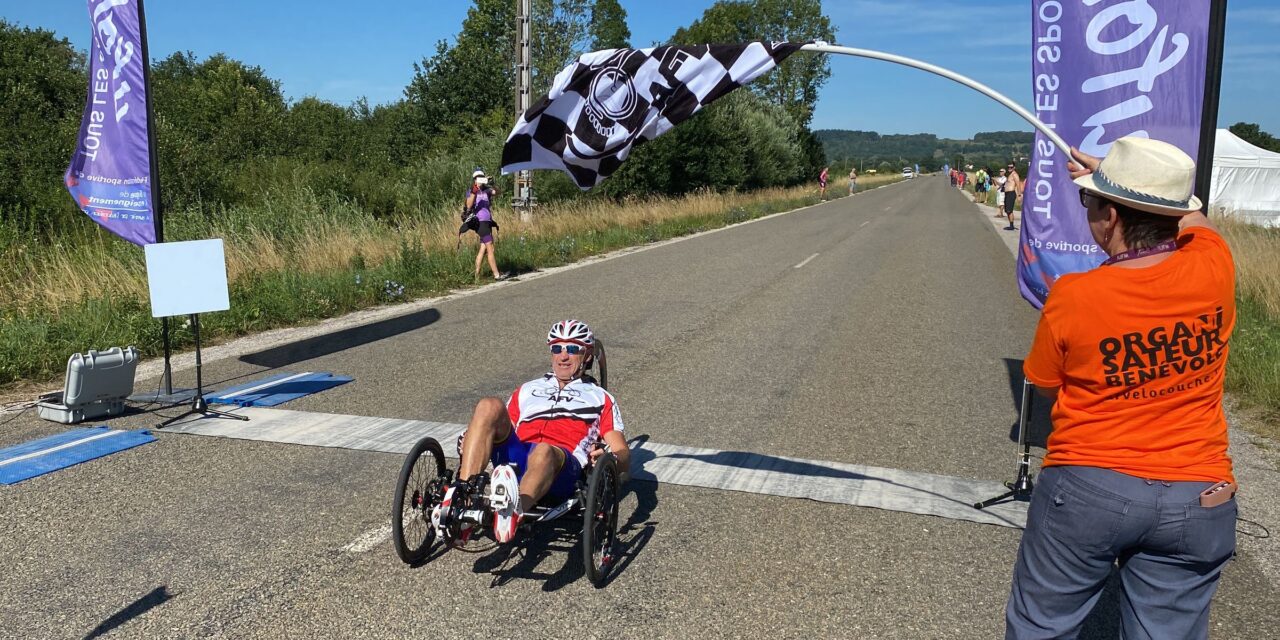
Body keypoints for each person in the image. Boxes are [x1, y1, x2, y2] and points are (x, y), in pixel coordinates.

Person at [1006, 137, 1238, 640]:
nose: (1088, 209)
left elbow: (1043, 385)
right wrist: (1130, 184)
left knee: (1042, 626)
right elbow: (1195, 223)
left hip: (1090, 486)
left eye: (1090, 201)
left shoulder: (1075, 296)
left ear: (1110, 217)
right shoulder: (1215, 265)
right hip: (1200, 495)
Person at [440, 320, 630, 544]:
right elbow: (499, 426)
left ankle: (513, 511)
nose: (563, 356)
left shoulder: (600, 397)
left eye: (572, 349)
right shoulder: (529, 388)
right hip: (518, 456)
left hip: (561, 465)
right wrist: (474, 434)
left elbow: (622, 451)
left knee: (544, 451)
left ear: (587, 355)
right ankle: (462, 500)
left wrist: (611, 457)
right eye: (557, 349)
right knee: (488, 405)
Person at [465, 170, 502, 280]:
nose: (480, 179)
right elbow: (468, 205)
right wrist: (475, 190)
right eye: (478, 178)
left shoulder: (487, 191)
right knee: (490, 248)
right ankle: (496, 275)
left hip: (488, 221)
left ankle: (476, 275)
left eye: (482, 177)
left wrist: (492, 183)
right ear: (474, 180)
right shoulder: (471, 191)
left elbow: (498, 192)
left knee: (483, 249)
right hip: (480, 222)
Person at [1003, 163, 1022, 229]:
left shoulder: (1015, 174)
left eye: (1011, 167)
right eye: (1008, 167)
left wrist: (1019, 195)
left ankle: (1011, 226)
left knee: (1009, 211)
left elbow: (1018, 185)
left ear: (1014, 167)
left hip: (1011, 194)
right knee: (1007, 210)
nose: (1009, 168)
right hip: (1007, 194)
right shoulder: (1010, 175)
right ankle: (1011, 225)